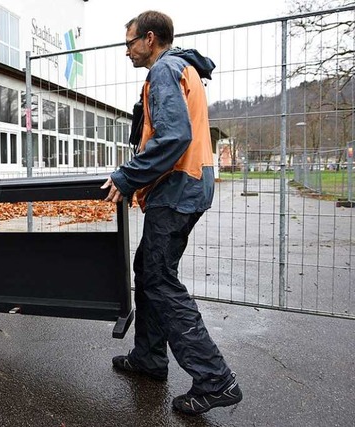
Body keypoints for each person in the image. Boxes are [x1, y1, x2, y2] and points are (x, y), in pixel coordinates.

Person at [101, 11, 242, 415]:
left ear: (148, 39)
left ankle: (216, 380)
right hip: (189, 184)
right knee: (148, 270)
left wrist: (128, 177)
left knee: (160, 279)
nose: (126, 51)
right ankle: (149, 357)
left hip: (178, 187)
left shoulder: (164, 70)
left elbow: (174, 136)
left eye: (128, 43)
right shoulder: (182, 67)